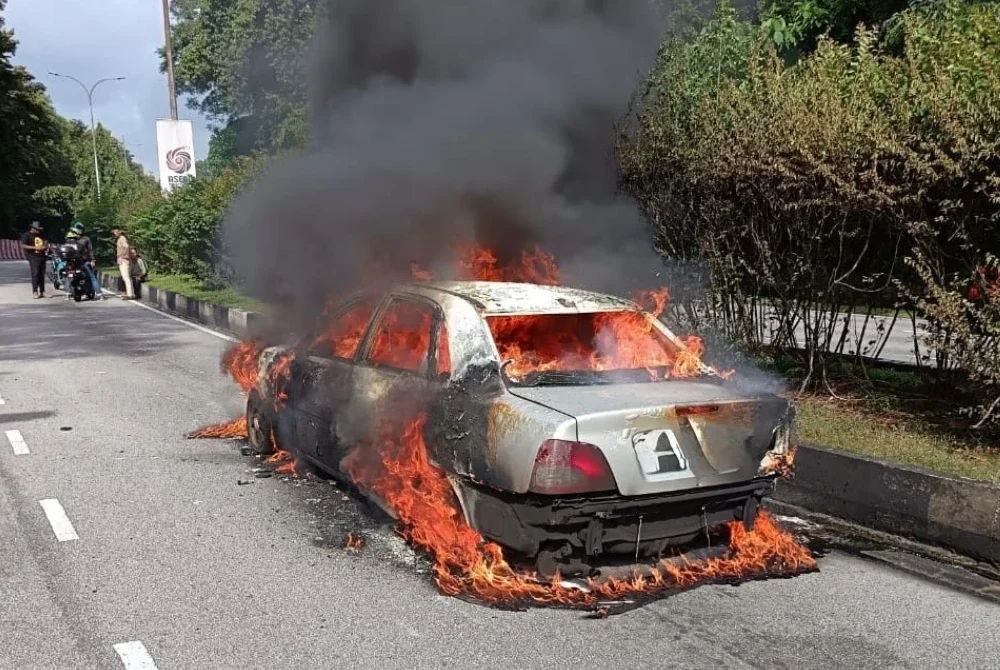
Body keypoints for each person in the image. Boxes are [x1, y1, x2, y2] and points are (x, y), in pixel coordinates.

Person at [68, 221, 103, 300]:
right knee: (70, 275)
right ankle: (70, 292)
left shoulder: (85, 239)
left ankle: (99, 293)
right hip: (75, 262)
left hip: (83, 261)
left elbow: (90, 250)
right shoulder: (73, 239)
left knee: (91, 276)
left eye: (79, 229)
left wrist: (92, 260)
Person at [20, 221, 48, 298]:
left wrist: (45, 246)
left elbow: (46, 241)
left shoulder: (41, 234)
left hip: (42, 256)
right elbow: (23, 245)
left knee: (41, 274)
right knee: (35, 274)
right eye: (37, 229)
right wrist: (35, 247)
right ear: (33, 228)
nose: (38, 231)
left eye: (39, 229)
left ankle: (42, 291)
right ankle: (35, 292)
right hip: (33, 256)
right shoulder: (27, 235)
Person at [111, 228, 135, 300]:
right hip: (125, 260)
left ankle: (130, 294)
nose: (114, 236)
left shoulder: (122, 238)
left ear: (118, 233)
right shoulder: (121, 238)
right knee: (128, 277)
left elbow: (126, 246)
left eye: (114, 234)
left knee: (126, 278)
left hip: (123, 260)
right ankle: (131, 293)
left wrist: (123, 255)